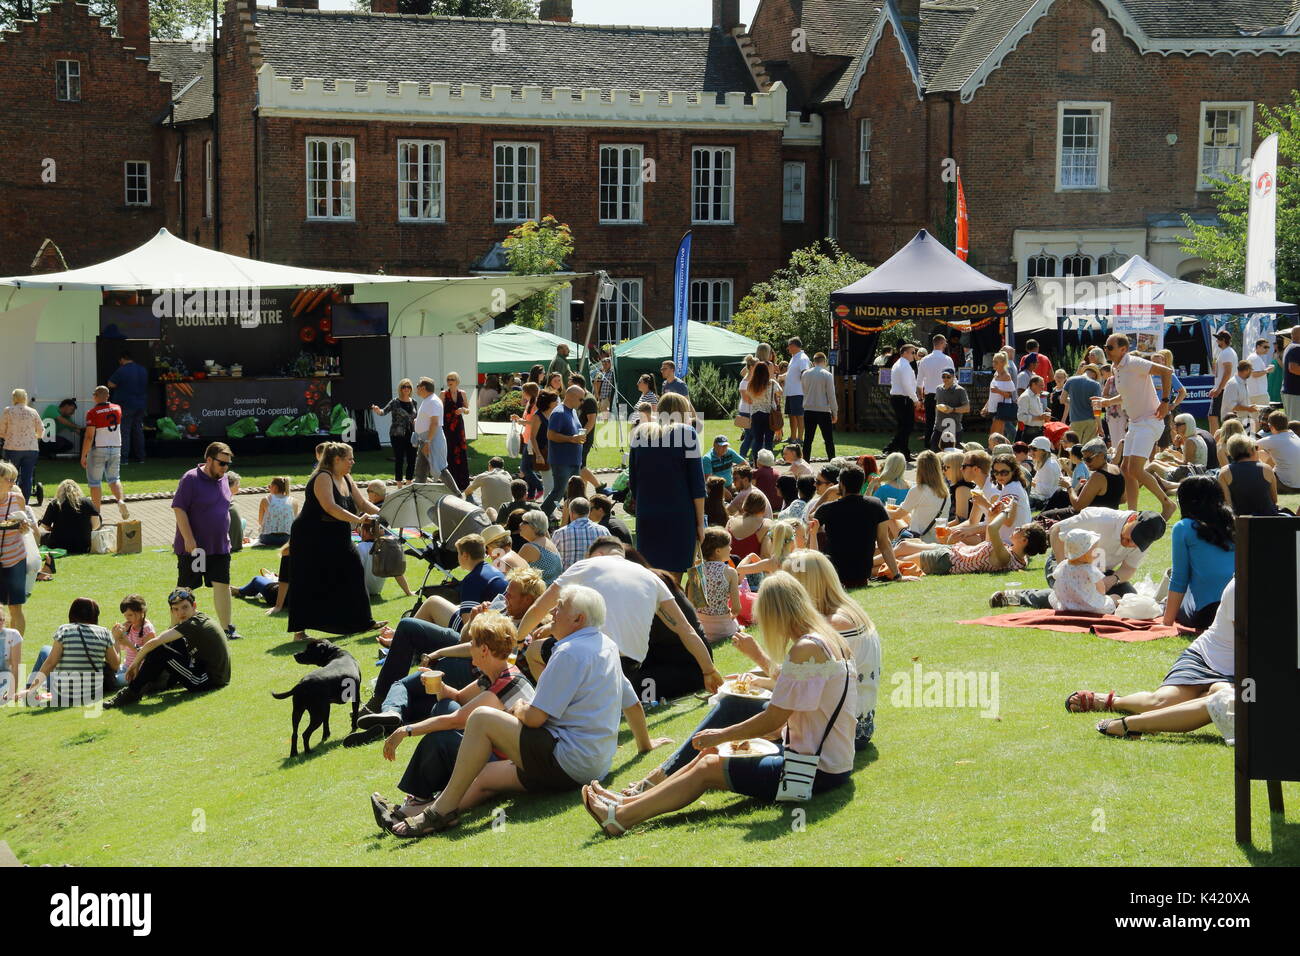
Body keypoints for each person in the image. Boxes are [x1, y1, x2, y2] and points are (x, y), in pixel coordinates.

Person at [580, 571, 856, 837]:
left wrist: (722, 734)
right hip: (826, 762)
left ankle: (620, 818)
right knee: (706, 758)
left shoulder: (806, 649)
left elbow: (774, 719)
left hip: (813, 772)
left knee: (707, 768)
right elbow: (794, 712)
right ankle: (624, 805)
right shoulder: (827, 639)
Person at [385, 585, 643, 836]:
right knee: (485, 777)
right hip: (593, 766)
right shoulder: (605, 645)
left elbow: (534, 718)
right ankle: (426, 811)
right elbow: (632, 702)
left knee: (482, 718)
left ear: (578, 618)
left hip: (566, 762)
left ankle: (436, 813)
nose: (553, 611)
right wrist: (645, 745)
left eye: (560, 607)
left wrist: (520, 708)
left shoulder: (568, 652)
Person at [371, 611, 537, 828]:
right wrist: (439, 686)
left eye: (472, 644)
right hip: (494, 753)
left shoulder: (505, 685)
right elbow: (458, 698)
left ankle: (417, 801)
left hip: (503, 765)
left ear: (484, 650)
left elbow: (455, 720)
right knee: (443, 706)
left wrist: (406, 730)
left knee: (443, 737)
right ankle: (422, 799)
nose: (469, 648)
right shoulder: (499, 673)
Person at [517, 538, 721, 696]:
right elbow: (686, 630)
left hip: (599, 664)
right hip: (631, 668)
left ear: (597, 554)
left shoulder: (586, 566)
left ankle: (556, 708)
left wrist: (518, 639)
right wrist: (709, 671)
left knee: (534, 652)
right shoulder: (651, 577)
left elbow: (538, 608)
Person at [1065, 579, 1236, 741]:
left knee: (1224, 697)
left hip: (1238, 674)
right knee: (1160, 703)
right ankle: (1114, 702)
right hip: (1206, 657)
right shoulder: (1239, 587)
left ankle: (1138, 724)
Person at [287, 442, 383, 642]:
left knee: (354, 571)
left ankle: (363, 621)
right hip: (311, 536)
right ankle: (299, 632)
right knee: (308, 579)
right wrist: (357, 520)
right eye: (349, 459)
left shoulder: (346, 477)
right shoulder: (323, 476)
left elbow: (363, 503)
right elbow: (330, 507)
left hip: (336, 534)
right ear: (336, 460)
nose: (353, 462)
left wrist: (388, 514)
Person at [989, 507, 1165, 608]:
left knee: (1130, 599)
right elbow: (1057, 530)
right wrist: (1063, 568)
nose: (1129, 544)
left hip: (1099, 571)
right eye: (1128, 538)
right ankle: (1014, 597)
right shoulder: (1100, 518)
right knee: (1072, 597)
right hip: (1066, 562)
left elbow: (1128, 569)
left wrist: (1111, 580)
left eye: (1135, 543)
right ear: (1132, 518)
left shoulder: (1142, 541)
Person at [1091, 334, 1176, 519]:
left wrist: (1165, 401)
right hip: (1136, 423)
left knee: (1136, 469)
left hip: (1150, 420)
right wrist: (1106, 402)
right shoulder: (1116, 367)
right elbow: (1126, 396)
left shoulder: (1134, 363)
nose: (1106, 350)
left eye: (1110, 347)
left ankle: (1168, 504)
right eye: (1106, 347)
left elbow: (1167, 372)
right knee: (1126, 470)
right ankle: (1132, 513)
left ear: (1123, 349)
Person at [104, 587, 231, 707]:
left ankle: (132, 692)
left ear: (194, 606)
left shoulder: (192, 624)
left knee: (159, 649)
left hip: (207, 681)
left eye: (185, 607)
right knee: (169, 644)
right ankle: (153, 683)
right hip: (212, 675)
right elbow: (169, 635)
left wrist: (135, 664)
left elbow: (154, 642)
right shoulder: (199, 618)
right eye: (176, 609)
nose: (180, 612)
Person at [628, 392, 705, 577]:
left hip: (647, 514)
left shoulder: (640, 433)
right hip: (679, 516)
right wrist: (700, 524)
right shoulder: (687, 433)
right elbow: (697, 485)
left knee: (652, 578)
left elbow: (633, 481)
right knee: (674, 581)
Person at [172, 442, 241, 641]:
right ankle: (177, 628)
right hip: (195, 549)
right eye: (221, 463)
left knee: (222, 584)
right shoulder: (191, 478)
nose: (225, 468)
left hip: (219, 546)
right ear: (209, 460)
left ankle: (227, 629)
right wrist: (188, 538)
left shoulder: (223, 479)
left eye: (228, 464)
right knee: (186, 588)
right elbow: (179, 508)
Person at [808, 462, 901, 585]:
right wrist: (897, 575)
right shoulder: (875, 505)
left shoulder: (828, 509)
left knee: (815, 533)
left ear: (841, 484)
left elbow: (810, 520)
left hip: (832, 575)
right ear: (862, 483)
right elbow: (884, 543)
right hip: (861, 575)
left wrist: (828, 493)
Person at [1162, 476, 1235, 631]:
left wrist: (1166, 623)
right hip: (1241, 607)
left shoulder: (1183, 527)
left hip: (1209, 613)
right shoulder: (1235, 523)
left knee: (1169, 599)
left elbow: (1179, 578)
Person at [896, 502, 1047, 575]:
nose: (1017, 528)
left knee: (897, 562)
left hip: (947, 561)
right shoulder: (1018, 557)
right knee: (903, 546)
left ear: (1024, 541)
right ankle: (870, 563)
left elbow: (994, 529)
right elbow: (990, 537)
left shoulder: (1007, 558)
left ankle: (871, 568)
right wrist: (993, 513)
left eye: (1021, 529)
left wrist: (1006, 512)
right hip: (952, 551)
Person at [24, 598, 119, 707]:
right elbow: (115, 665)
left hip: (64, 694)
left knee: (45, 650)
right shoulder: (104, 632)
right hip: (93, 691)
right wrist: (117, 639)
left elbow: (51, 663)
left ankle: (29, 690)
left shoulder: (64, 629)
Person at [81, 386, 130, 520]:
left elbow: (89, 436)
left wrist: (84, 455)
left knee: (95, 482)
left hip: (99, 449)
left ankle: (96, 514)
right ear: (107, 396)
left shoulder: (93, 412)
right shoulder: (117, 408)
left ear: (95, 396)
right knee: (114, 479)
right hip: (115, 447)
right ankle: (120, 501)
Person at [882, 449, 947, 543]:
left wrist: (881, 508)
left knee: (889, 518)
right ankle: (890, 545)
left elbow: (897, 515)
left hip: (917, 539)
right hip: (937, 539)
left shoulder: (918, 489)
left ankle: (887, 546)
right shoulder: (945, 493)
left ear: (920, 470)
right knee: (901, 515)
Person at [541, 385, 585, 520]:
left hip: (574, 460)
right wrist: (571, 439)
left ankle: (571, 520)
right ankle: (539, 517)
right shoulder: (559, 412)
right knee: (559, 492)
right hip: (562, 461)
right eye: (581, 399)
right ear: (571, 397)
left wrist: (577, 437)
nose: (582, 402)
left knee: (572, 493)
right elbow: (550, 435)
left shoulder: (572, 411)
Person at [1048, 529, 1115, 614]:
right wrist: (1100, 597)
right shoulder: (1090, 570)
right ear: (1084, 553)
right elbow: (1102, 590)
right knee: (1114, 598)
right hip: (1089, 607)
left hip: (1067, 605)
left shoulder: (1063, 565)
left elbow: (1057, 579)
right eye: (1094, 549)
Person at [692, 528, 741, 643]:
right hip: (723, 629)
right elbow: (736, 608)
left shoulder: (696, 571)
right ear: (718, 551)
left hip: (701, 628)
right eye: (728, 545)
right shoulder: (730, 572)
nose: (731, 548)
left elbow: (693, 603)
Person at [371, 379, 418, 484]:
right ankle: (399, 484)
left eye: (408, 387)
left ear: (411, 389)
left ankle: (409, 483)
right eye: (404, 387)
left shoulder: (414, 402)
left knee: (412, 459)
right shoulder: (395, 402)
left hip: (411, 434)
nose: (406, 389)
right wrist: (378, 410)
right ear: (400, 389)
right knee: (399, 459)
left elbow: (416, 418)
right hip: (397, 434)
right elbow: (383, 412)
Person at [1217, 434, 1278, 516]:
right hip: (1267, 519)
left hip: (1240, 522)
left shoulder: (1224, 472)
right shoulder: (1267, 469)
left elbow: (1228, 505)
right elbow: (1274, 499)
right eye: (1255, 448)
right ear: (1251, 450)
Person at [0, 389, 43, 501]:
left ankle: (9, 501)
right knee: (27, 477)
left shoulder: (8, 411)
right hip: (31, 448)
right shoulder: (33, 411)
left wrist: (8, 436)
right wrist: (35, 437)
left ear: (14, 398)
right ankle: (25, 504)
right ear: (25, 398)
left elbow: (1, 430)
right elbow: (41, 430)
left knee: (9, 476)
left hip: (12, 448)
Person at [412, 377, 455, 491]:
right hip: (425, 440)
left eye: (417, 386)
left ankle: (457, 494)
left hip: (431, 440)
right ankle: (418, 494)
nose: (416, 388)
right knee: (420, 471)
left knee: (440, 469)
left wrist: (428, 442)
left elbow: (435, 423)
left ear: (423, 387)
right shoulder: (428, 400)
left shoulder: (433, 401)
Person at [1146, 414, 1210, 489]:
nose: (1175, 427)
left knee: (1153, 466)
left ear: (1187, 425)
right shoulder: (1197, 438)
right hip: (1197, 471)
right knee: (1156, 462)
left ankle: (1135, 486)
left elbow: (1187, 465)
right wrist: (1177, 449)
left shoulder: (1190, 442)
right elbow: (1188, 460)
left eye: (1178, 424)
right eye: (1175, 424)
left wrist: (1172, 458)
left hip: (1190, 475)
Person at [38, 478, 99, 554]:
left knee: (41, 536)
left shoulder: (55, 503)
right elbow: (96, 525)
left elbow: (45, 526)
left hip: (59, 545)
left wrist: (54, 528)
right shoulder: (87, 502)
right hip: (83, 545)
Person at [107, 351, 148, 464]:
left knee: (124, 432)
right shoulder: (142, 370)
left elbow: (111, 384)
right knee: (138, 431)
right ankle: (141, 457)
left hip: (126, 405)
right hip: (141, 404)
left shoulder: (122, 369)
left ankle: (124, 459)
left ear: (122, 359)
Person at [915, 333, 955, 450]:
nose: (946, 344)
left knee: (930, 423)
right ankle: (944, 447)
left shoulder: (924, 360)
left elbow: (919, 383)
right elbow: (953, 379)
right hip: (944, 394)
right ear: (942, 343)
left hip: (929, 395)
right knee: (945, 422)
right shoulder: (947, 359)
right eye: (945, 342)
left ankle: (928, 447)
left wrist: (921, 398)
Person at [108, 594, 155, 690]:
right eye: (125, 615)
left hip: (138, 670)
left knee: (112, 681)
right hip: (126, 666)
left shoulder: (147, 629)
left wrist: (127, 643)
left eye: (130, 615)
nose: (127, 618)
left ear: (142, 611)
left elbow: (148, 655)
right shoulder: (129, 626)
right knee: (107, 672)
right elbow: (121, 648)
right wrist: (116, 637)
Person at [551, 497, 611, 569]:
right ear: (588, 512)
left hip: (569, 577)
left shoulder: (560, 533)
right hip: (595, 576)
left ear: (571, 513)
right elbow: (610, 556)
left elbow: (552, 557)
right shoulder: (603, 531)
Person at [801, 351, 837, 460]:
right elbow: (831, 395)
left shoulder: (805, 374)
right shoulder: (827, 375)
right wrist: (835, 412)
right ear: (824, 362)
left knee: (808, 439)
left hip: (808, 409)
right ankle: (832, 461)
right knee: (828, 440)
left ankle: (805, 463)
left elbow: (804, 391)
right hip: (823, 410)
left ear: (814, 362)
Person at [510, 382, 544, 500]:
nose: (522, 393)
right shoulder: (530, 403)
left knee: (524, 468)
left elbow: (535, 421)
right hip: (527, 437)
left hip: (532, 439)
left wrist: (522, 422)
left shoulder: (536, 405)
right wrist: (519, 419)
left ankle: (540, 487)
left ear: (528, 392)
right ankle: (531, 494)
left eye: (524, 391)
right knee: (529, 467)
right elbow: (527, 420)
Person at [886, 343, 920, 458]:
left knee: (903, 426)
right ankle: (891, 447)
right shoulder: (904, 365)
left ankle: (902, 452)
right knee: (907, 426)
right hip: (903, 399)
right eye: (912, 352)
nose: (914, 355)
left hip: (899, 398)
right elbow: (907, 385)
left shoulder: (899, 363)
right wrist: (915, 400)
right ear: (905, 353)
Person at [744, 360, 782, 460]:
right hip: (769, 414)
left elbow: (749, 399)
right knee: (769, 441)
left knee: (758, 441)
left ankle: (756, 463)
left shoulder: (751, 384)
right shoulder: (772, 383)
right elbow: (780, 393)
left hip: (756, 414)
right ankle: (768, 463)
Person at [517, 509, 564, 584]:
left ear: (534, 526)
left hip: (537, 594)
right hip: (550, 593)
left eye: (524, 522)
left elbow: (514, 575)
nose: (520, 524)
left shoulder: (529, 548)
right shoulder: (549, 543)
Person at [1257, 409, 1300, 491]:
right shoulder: (1293, 435)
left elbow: (1248, 448)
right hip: (1297, 484)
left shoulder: (1272, 440)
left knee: (1255, 459)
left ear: (1271, 426)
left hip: (1287, 485)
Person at [1221, 359, 1268, 434]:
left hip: (1243, 421)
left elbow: (1241, 402)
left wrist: (1249, 407)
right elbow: (1232, 406)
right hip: (1232, 423)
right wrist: (1249, 408)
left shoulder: (1242, 382)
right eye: (1250, 370)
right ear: (1246, 370)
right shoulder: (1233, 384)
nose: (1251, 372)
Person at [984, 351, 1019, 446]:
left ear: (1003, 363)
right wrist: (986, 406)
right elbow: (992, 392)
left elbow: (1009, 395)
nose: (993, 364)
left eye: (996, 362)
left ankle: (1000, 449)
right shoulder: (996, 374)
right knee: (997, 434)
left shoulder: (1006, 376)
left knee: (995, 434)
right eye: (993, 361)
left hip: (1001, 408)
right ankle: (1005, 448)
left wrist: (998, 391)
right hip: (994, 407)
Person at [1061, 364, 1102, 444]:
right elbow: (1096, 407)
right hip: (1090, 421)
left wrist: (1073, 400)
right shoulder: (1096, 385)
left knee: (1074, 447)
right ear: (1094, 375)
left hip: (1075, 420)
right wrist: (1100, 426)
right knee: (1087, 448)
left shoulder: (1070, 380)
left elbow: (1062, 400)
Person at [932, 368, 970, 451]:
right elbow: (937, 405)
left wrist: (952, 409)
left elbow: (967, 408)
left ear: (953, 377)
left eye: (948, 377)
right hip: (939, 427)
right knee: (935, 453)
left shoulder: (960, 390)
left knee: (955, 455)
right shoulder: (938, 389)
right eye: (943, 376)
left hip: (954, 428)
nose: (945, 379)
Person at [1207, 329, 1238, 432]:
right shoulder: (1227, 352)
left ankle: (1215, 442)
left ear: (1223, 340)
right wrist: (1216, 388)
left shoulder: (1226, 353)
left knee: (1213, 416)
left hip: (1224, 389)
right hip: (1225, 388)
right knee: (1224, 417)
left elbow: (1227, 372)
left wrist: (1219, 389)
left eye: (1218, 339)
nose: (1216, 342)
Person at [1027, 436, 1068, 511]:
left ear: (1044, 451)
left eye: (1034, 449)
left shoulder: (1048, 465)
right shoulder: (1047, 462)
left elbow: (1047, 491)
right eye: (1030, 449)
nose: (1031, 452)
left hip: (1049, 502)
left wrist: (1030, 482)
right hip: (1049, 498)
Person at [783, 337, 811, 444]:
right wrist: (781, 376)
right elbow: (791, 373)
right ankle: (793, 437)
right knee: (791, 415)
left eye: (789, 346)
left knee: (799, 416)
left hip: (798, 393)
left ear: (794, 346)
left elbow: (805, 373)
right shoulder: (794, 357)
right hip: (791, 393)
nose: (788, 348)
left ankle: (800, 439)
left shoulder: (802, 358)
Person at [256, 476, 296, 547]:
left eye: (269, 486)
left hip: (268, 538)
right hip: (287, 538)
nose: (268, 488)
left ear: (275, 487)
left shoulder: (265, 500)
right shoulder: (294, 501)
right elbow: (294, 522)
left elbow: (260, 521)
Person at [1016, 375, 1050, 443]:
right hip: (1030, 433)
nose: (1043, 387)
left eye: (1043, 385)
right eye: (1041, 385)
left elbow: (1036, 413)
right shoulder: (1025, 396)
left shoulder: (1036, 395)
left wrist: (1043, 416)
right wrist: (1039, 417)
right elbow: (1020, 417)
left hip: (1039, 430)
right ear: (1033, 384)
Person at [1281, 324, 1300, 420]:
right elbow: (1293, 368)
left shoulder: (1290, 347)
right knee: (1296, 424)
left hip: (1291, 391)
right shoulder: (1296, 348)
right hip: (1295, 392)